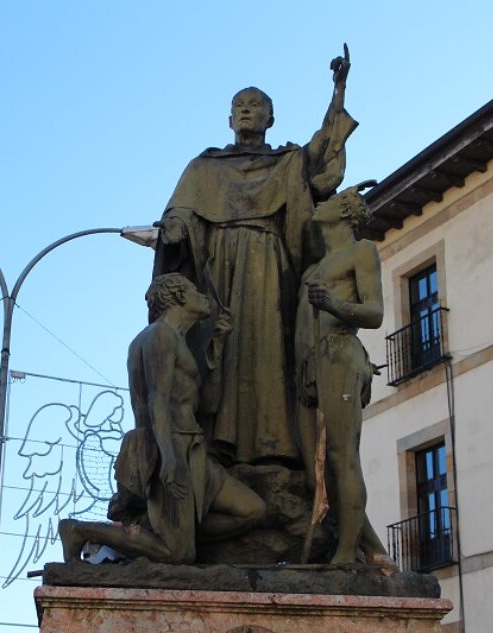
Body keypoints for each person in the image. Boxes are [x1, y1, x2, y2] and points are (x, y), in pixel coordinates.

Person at [153, 45, 358, 466]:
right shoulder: (204, 167)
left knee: (268, 351)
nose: (247, 111)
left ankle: (272, 443)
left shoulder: (286, 163)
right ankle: (215, 443)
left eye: (256, 105)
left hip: (268, 261)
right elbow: (180, 214)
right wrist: (173, 230)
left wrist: (337, 91)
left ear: (271, 118)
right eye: (239, 106)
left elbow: (322, 153)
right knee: (219, 349)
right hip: (218, 266)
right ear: (229, 119)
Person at [59, 273, 265, 564]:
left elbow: (200, 401)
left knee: (252, 509)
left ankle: (166, 533)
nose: (203, 298)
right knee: (177, 554)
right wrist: (168, 457)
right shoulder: (159, 336)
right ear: (178, 296)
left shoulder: (174, 340)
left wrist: (217, 342)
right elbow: (158, 398)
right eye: (195, 291)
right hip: (168, 444)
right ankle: (79, 530)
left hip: (190, 447)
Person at [295, 186, 394, 569]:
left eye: (333, 199)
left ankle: (347, 555)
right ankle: (373, 549)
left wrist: (333, 303)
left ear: (347, 212)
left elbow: (375, 312)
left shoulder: (361, 251)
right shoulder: (312, 268)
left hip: (338, 352)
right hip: (310, 366)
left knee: (341, 457)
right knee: (312, 468)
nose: (321, 202)